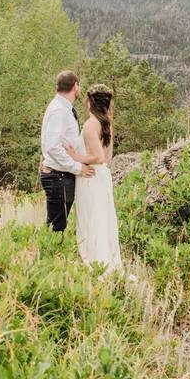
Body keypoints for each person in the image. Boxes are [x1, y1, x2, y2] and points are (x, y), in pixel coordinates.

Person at [64, 83, 124, 274]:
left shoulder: (91, 124)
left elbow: (97, 157)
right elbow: (107, 158)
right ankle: (105, 262)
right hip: (102, 177)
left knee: (91, 219)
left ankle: (95, 264)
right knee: (101, 218)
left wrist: (75, 158)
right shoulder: (107, 123)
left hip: (90, 178)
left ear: (90, 102)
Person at [40, 70, 94, 233]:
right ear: (75, 86)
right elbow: (52, 146)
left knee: (57, 225)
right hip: (58, 176)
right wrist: (77, 167)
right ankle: (48, 255)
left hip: (60, 175)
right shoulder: (60, 111)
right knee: (56, 227)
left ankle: (49, 253)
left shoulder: (61, 107)